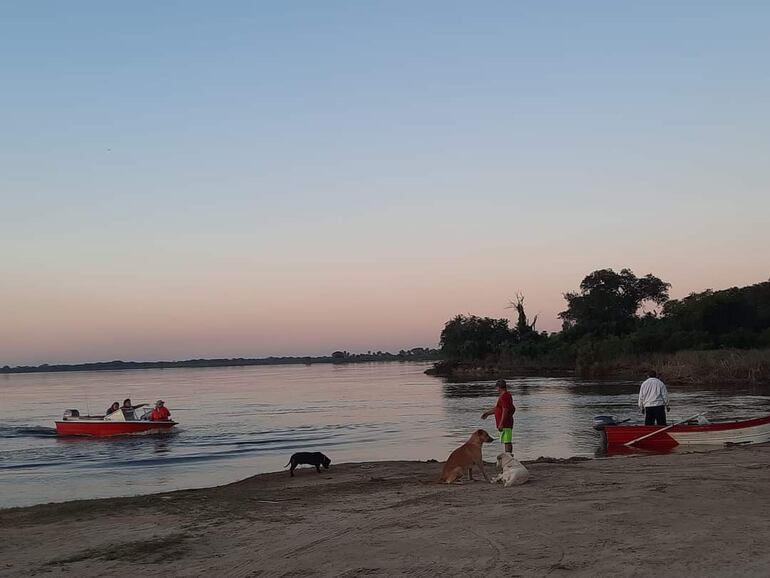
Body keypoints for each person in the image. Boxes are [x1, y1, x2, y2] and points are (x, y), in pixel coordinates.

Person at [481, 379, 516, 453]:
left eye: (496, 388)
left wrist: (501, 423)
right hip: (505, 423)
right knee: (506, 440)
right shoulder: (504, 396)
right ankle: (508, 456)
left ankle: (508, 457)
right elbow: (498, 409)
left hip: (506, 423)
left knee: (507, 441)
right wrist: (487, 413)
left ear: (499, 387)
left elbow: (505, 410)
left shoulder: (505, 396)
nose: (496, 389)